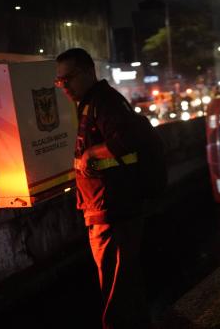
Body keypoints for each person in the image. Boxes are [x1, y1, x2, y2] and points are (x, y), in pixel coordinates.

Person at [54, 48, 149, 328]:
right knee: (123, 284)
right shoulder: (90, 103)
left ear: (87, 72)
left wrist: (90, 155)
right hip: (104, 209)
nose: (64, 86)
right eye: (60, 81)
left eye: (68, 78)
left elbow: (127, 141)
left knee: (117, 289)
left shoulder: (104, 102)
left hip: (115, 210)